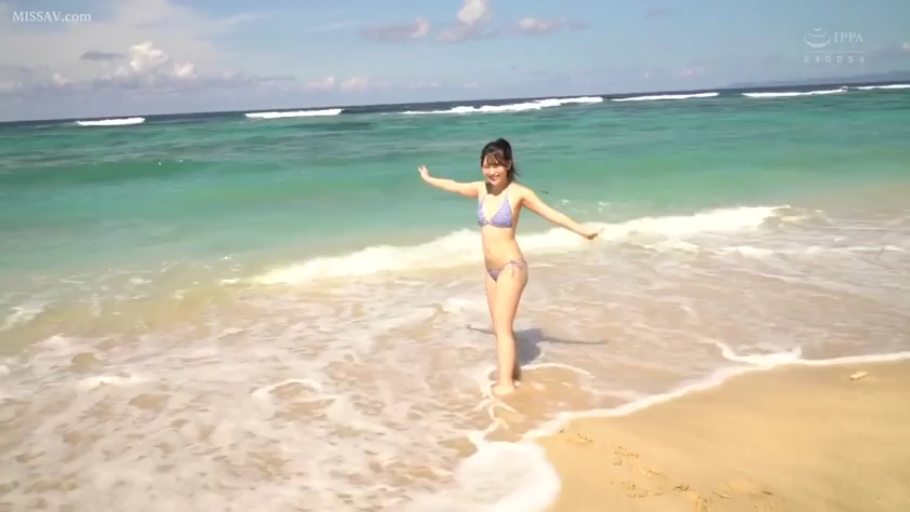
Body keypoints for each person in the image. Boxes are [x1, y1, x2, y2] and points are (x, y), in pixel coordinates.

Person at [418, 138, 602, 395]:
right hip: (491, 271)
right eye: (486, 165)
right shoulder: (480, 189)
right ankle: (513, 373)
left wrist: (583, 231)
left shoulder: (518, 194)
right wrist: (429, 179)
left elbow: (550, 213)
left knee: (503, 329)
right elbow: (454, 186)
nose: (491, 171)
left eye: (497, 165)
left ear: (508, 164)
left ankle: (505, 386)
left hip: (511, 267)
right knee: (498, 328)